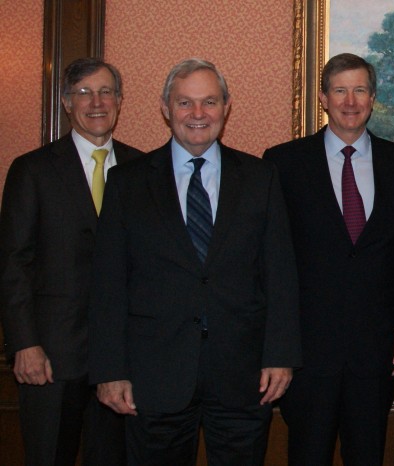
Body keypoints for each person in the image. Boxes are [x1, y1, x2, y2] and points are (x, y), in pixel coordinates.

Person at [88, 58, 301, 466]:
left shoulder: (261, 178)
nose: (198, 114)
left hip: (244, 374)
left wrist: (281, 355)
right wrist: (109, 370)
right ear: (166, 108)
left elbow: (280, 274)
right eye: (185, 103)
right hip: (154, 375)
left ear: (226, 107)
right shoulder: (128, 182)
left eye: (209, 102)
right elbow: (108, 284)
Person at [262, 53, 394, 466]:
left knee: (367, 455)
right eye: (340, 90)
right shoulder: (282, 163)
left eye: (359, 90)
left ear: (373, 98)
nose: (350, 101)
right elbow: (273, 260)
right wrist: (279, 343)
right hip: (307, 351)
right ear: (323, 98)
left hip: (377, 349)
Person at [0, 57, 141, 466]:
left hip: (120, 359)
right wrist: (24, 343)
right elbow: (13, 264)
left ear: (119, 101)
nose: (96, 102)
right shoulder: (32, 170)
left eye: (106, 92)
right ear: (65, 103)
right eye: (83, 93)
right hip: (50, 356)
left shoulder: (143, 169)